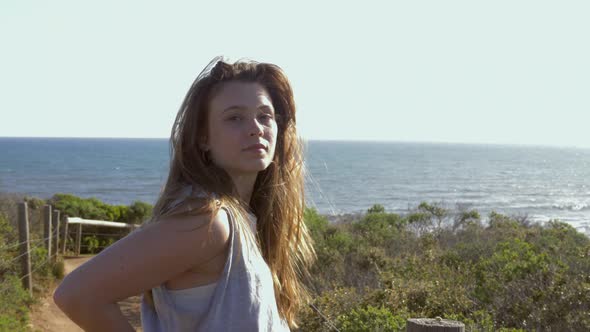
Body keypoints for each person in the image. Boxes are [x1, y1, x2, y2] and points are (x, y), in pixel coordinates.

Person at [53, 56, 316, 331]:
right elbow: (77, 295)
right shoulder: (209, 221)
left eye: (265, 116)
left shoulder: (242, 218)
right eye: (235, 118)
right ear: (203, 138)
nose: (256, 128)